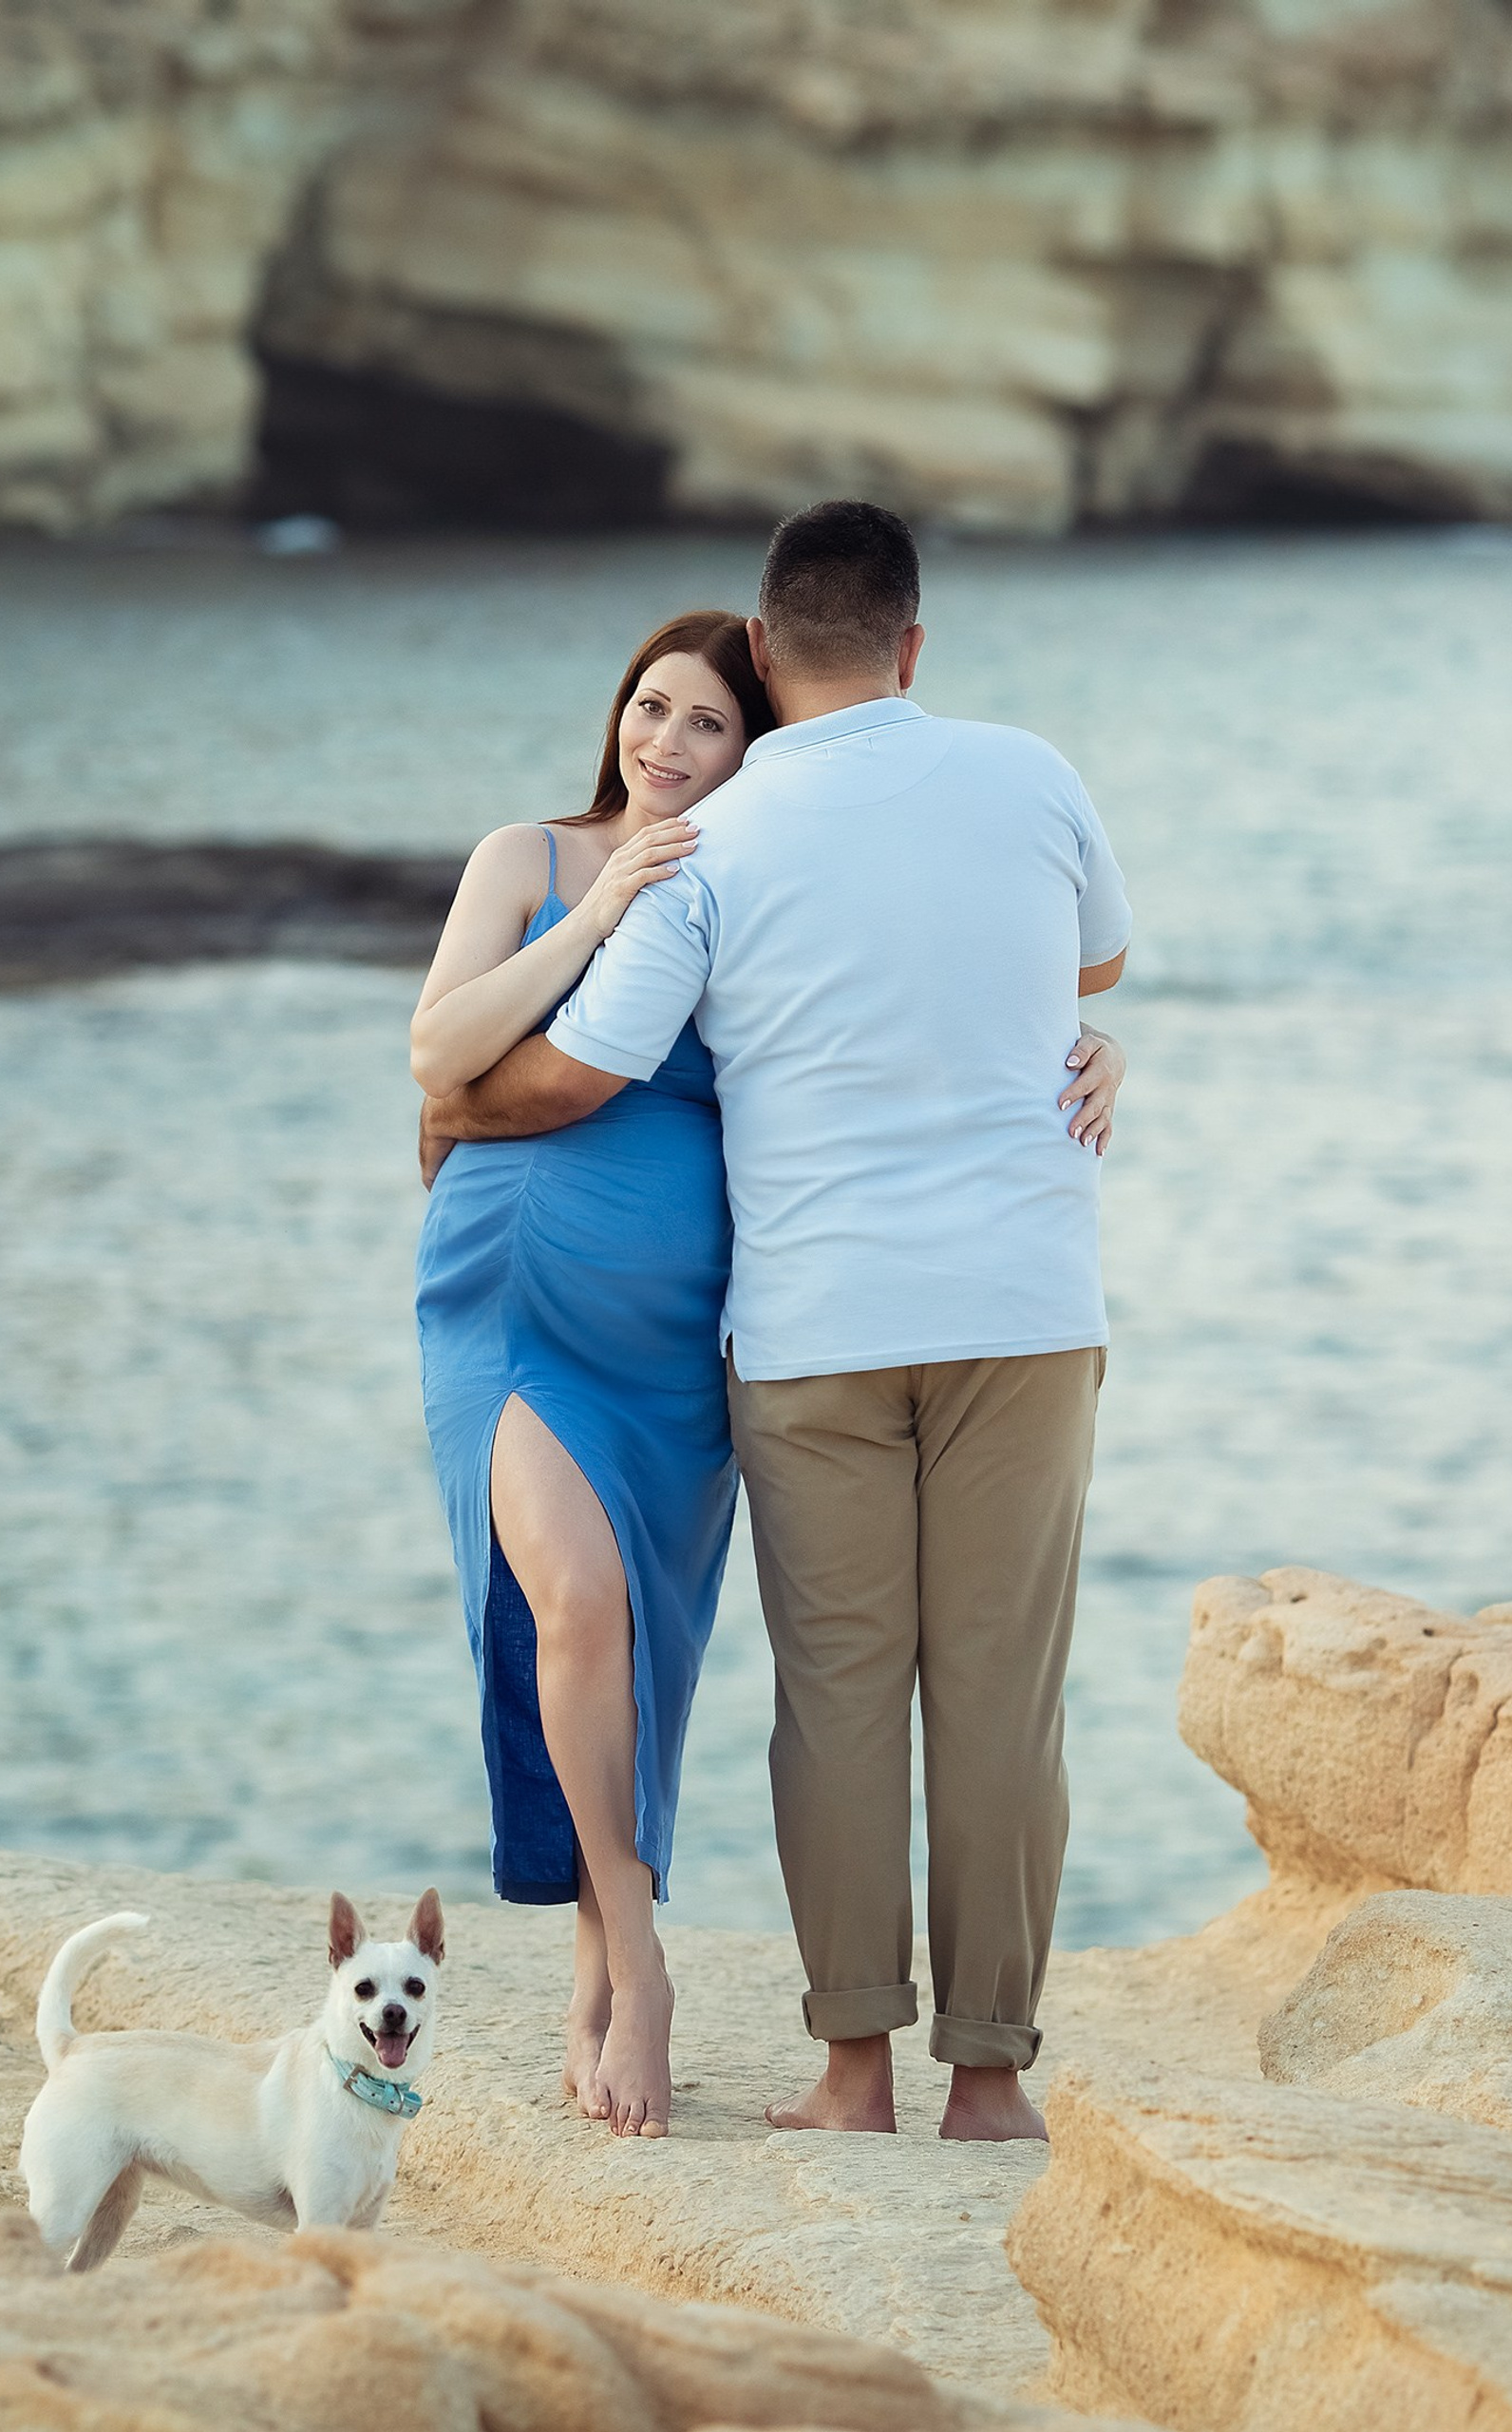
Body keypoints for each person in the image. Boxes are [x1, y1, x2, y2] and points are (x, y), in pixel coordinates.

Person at [412, 585, 1125, 2139]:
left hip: (738, 1330)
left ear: (770, 726)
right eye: (651, 704)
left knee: (754, 1672)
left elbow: (610, 1069)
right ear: (908, 648)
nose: (668, 740)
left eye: (710, 718)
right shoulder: (568, 856)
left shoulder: (742, 848)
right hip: (569, 1299)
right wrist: (591, 917)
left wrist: (1099, 1051)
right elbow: (452, 1058)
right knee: (609, 1614)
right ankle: (773, 2010)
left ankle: (821, 2054)